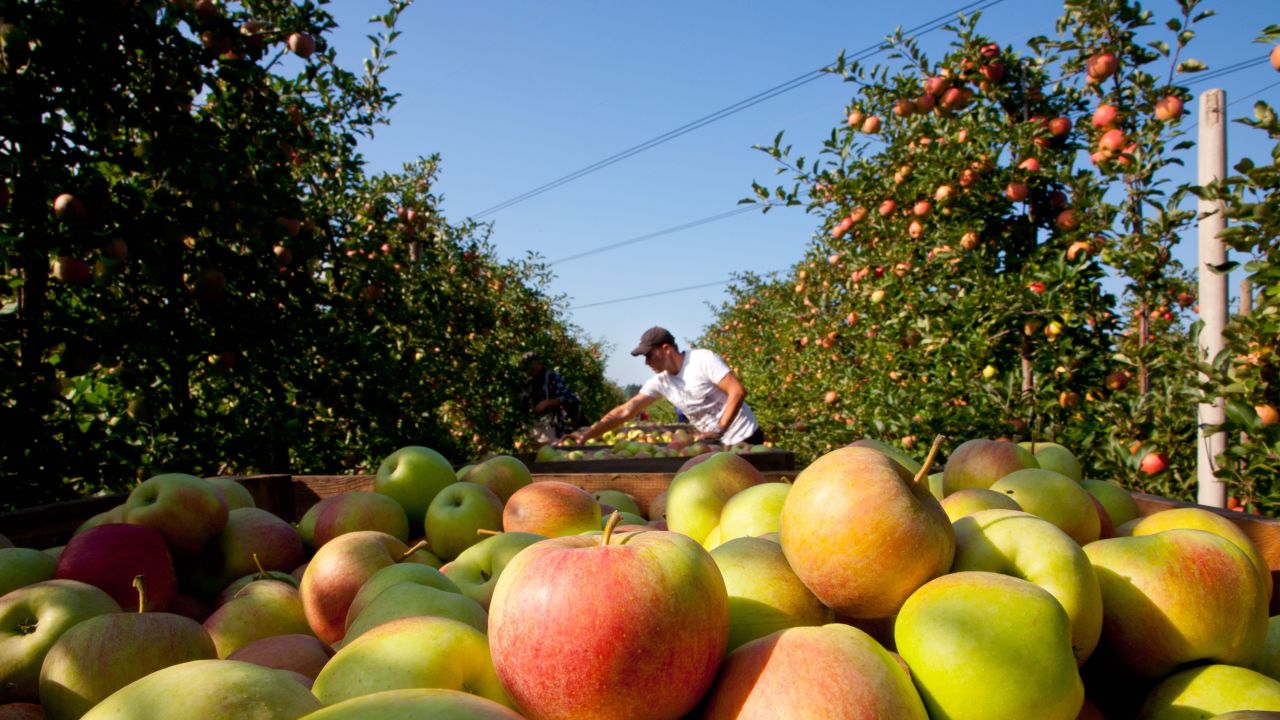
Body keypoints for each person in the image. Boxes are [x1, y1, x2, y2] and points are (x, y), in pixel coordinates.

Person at [563, 327, 763, 446]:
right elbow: (626, 410)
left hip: (745, 439)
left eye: (649, 355)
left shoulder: (702, 359)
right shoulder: (661, 382)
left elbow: (737, 390)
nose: (646, 362)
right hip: (715, 444)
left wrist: (720, 429)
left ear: (665, 349)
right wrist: (585, 435)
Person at [521, 351, 583, 444]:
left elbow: (567, 397)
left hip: (552, 426)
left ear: (540, 364)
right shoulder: (527, 382)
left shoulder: (552, 377)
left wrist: (548, 402)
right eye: (530, 366)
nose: (533, 368)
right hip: (534, 427)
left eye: (536, 364)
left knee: (554, 451)